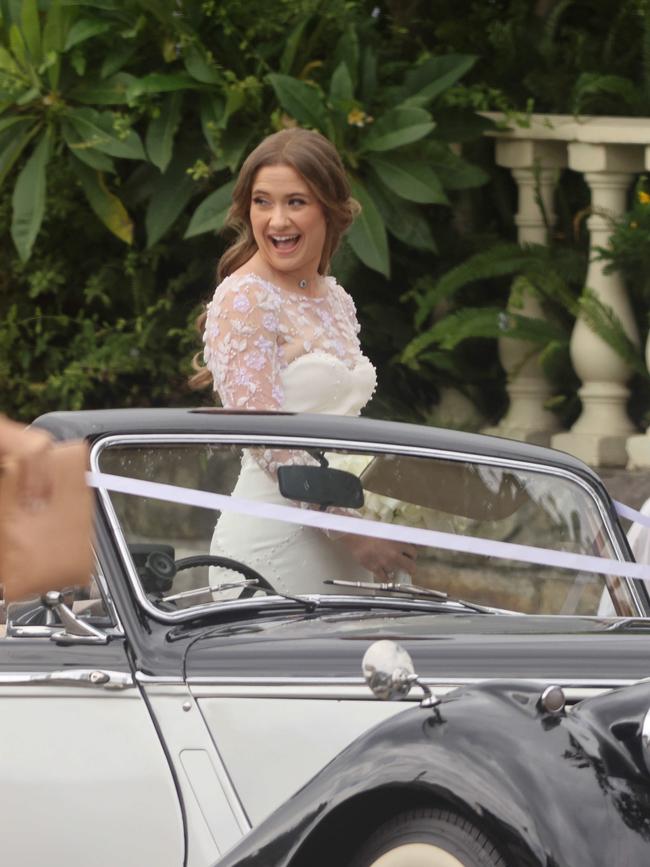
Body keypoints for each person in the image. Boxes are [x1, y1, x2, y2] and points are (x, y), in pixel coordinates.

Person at [191, 128, 417, 595]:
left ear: (329, 209)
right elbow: (265, 439)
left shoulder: (336, 300)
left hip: (349, 538)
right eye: (262, 202)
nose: (277, 221)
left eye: (296, 202)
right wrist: (352, 532)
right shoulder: (245, 297)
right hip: (277, 543)